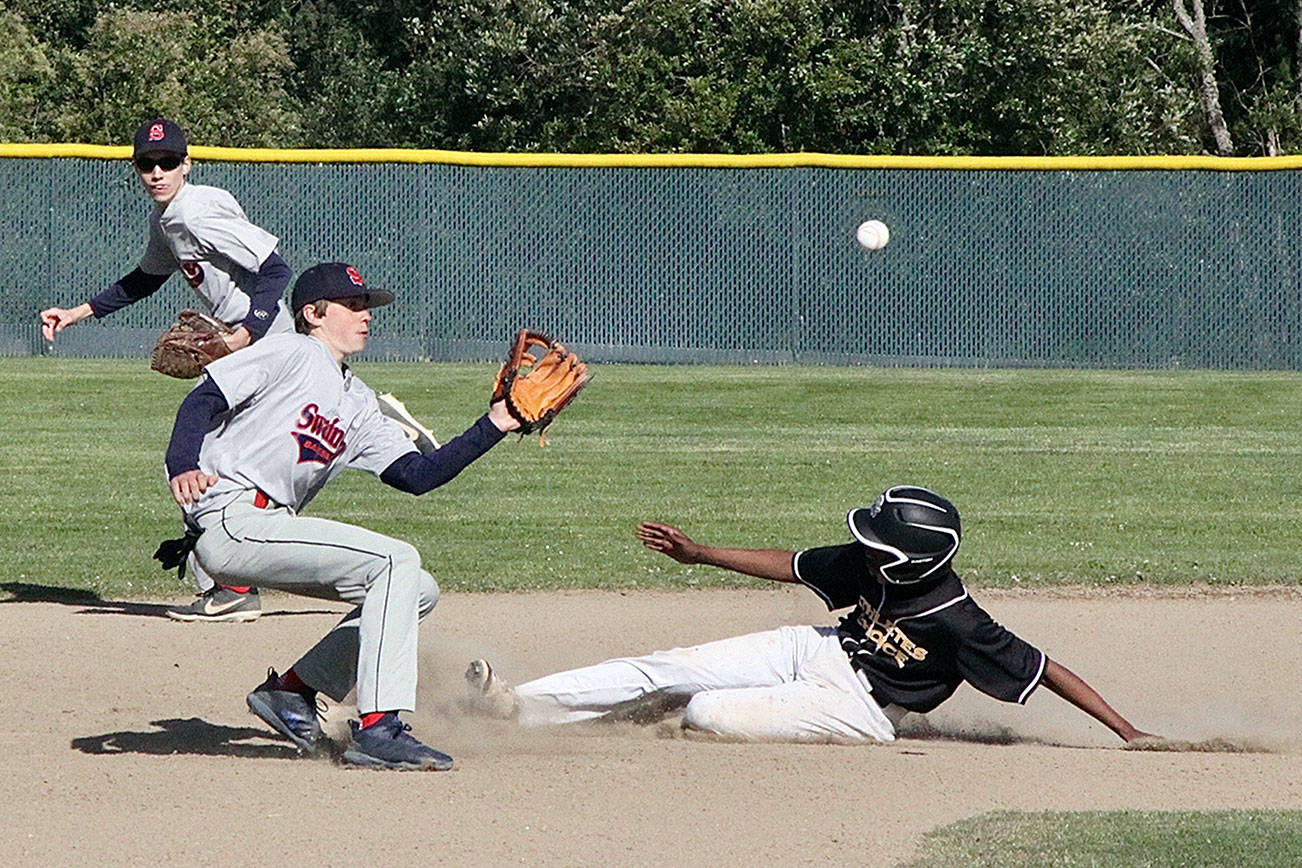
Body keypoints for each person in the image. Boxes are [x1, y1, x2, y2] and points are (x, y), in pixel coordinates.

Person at [465, 485, 1158, 746]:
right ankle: (514, 707)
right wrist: (700, 553)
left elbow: (1047, 670)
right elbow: (791, 561)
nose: (863, 546)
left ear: (910, 563)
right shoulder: (867, 561)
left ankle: (627, 717)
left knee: (704, 709)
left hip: (859, 709)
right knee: (668, 666)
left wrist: (1128, 731)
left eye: (877, 543)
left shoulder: (958, 619)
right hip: (819, 648)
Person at [166, 261, 521, 769]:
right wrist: (183, 465)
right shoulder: (292, 350)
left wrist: (496, 423)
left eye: (367, 306)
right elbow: (202, 400)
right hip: (231, 516)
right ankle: (379, 728)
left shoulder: (357, 401)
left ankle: (294, 691)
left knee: (416, 587)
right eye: (352, 305)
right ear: (313, 313)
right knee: (396, 559)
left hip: (270, 526)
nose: (365, 315)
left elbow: (417, 476)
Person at [40, 117, 294, 623]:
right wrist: (77, 313)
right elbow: (145, 279)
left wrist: (249, 331)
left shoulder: (195, 211)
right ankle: (231, 576)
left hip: (261, 345)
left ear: (187, 164)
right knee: (210, 459)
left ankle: (233, 584)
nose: (157, 172)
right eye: (147, 164)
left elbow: (276, 268)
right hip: (244, 346)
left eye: (168, 162)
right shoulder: (169, 220)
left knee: (192, 456)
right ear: (136, 168)